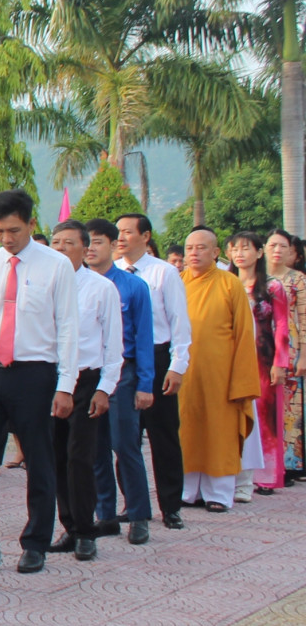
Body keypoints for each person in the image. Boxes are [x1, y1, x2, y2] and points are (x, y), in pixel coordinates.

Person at [0, 190, 78, 575]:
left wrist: (66, 386)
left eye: (13, 230)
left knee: (39, 457)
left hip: (34, 372)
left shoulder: (56, 266)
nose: (6, 238)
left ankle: (35, 542)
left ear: (30, 224)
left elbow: (69, 328)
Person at [44, 220, 120, 561]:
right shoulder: (42, 286)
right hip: (48, 378)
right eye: (55, 242)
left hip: (86, 382)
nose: (60, 249)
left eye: (68, 243)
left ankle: (87, 531)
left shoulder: (101, 288)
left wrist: (105, 389)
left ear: (85, 248)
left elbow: (113, 348)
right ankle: (70, 527)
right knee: (54, 457)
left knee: (80, 457)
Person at [115, 214, 192, 528]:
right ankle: (132, 501)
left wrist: (177, 366)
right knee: (124, 439)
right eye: (117, 232)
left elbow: (179, 323)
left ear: (145, 236)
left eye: (128, 232)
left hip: (159, 359)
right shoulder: (112, 273)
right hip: (123, 361)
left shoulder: (165, 272)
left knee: (163, 436)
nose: (121, 238)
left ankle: (170, 505)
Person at [177, 228, 260, 512]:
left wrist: (242, 380)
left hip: (220, 375)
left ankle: (219, 494)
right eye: (190, 248)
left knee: (219, 432)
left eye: (201, 248)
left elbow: (244, 334)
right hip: (184, 374)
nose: (194, 253)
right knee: (186, 430)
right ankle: (188, 492)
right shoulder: (177, 283)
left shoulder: (230, 284)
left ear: (215, 253)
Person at [86, 219, 157, 545]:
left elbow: (144, 339)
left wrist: (145, 383)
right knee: (95, 448)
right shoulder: (77, 284)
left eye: (98, 241)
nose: (90, 247)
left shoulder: (132, 286)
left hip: (123, 374)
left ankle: (139, 514)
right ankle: (106, 515)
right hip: (88, 374)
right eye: (86, 241)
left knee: (125, 446)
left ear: (113, 245)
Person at [229, 231, 290, 497]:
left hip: (263, 360)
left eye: (246, 248)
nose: (240, 253)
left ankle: (266, 476)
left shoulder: (272, 287)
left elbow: (282, 326)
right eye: (235, 249)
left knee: (266, 418)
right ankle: (234, 472)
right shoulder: (226, 284)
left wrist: (280, 363)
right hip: (231, 359)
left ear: (259, 253)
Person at [265, 230, 306, 478]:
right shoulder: (258, 279)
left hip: (291, 350)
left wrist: (303, 354)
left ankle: (288, 463)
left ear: (291, 251)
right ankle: (267, 462)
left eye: (283, 246)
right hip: (262, 348)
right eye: (272, 245)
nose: (277, 250)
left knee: (290, 408)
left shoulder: (298, 280)